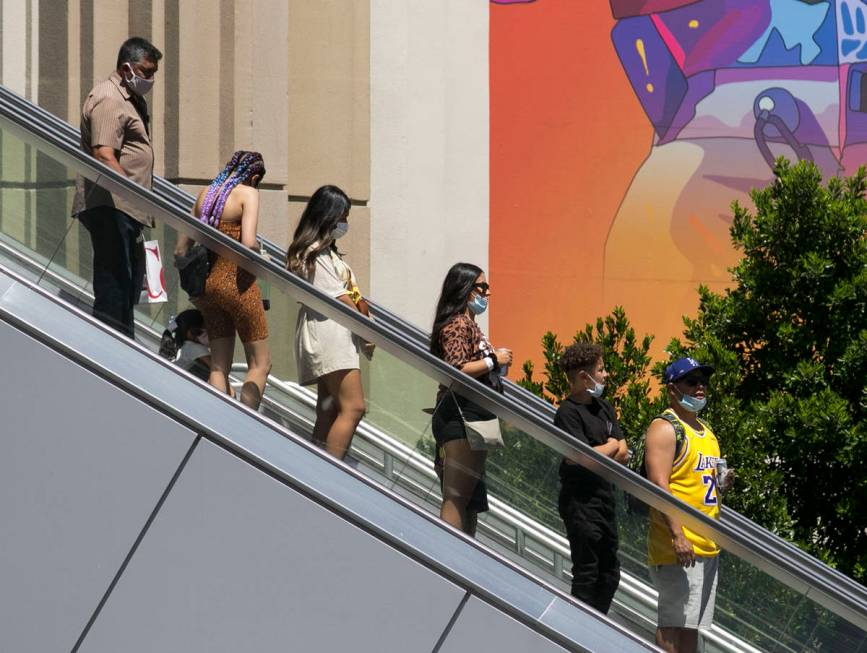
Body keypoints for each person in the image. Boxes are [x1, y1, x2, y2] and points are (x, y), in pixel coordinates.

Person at [73, 37, 162, 338]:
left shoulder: (131, 99)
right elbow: (103, 153)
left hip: (126, 209)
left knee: (126, 286)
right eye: (146, 71)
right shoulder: (110, 98)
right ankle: (111, 350)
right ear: (126, 68)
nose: (150, 79)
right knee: (114, 285)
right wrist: (131, 189)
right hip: (112, 207)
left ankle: (122, 344)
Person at [645, 357, 734, 653]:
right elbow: (659, 485)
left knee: (691, 627)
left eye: (703, 382)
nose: (700, 388)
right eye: (691, 381)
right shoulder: (665, 427)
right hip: (679, 546)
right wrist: (677, 535)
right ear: (673, 389)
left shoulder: (706, 432)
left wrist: (721, 485)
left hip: (706, 546)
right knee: (672, 624)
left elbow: (698, 482)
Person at [175, 151, 271, 410]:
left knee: (218, 366)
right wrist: (262, 254)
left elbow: (180, 251)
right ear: (253, 176)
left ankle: (218, 417)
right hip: (238, 285)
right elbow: (248, 243)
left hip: (207, 290)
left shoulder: (205, 195)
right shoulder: (248, 194)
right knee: (260, 364)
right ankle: (244, 421)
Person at [288, 185, 372, 460]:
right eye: (342, 217)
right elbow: (338, 296)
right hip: (329, 330)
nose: (344, 224)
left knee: (328, 410)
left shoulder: (322, 252)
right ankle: (330, 470)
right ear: (328, 216)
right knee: (354, 407)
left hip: (330, 330)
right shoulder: (314, 253)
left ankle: (317, 465)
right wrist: (366, 327)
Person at [429, 262, 512, 535]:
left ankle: (463, 559)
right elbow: (457, 368)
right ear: (464, 288)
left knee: (470, 501)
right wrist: (492, 360)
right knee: (457, 497)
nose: (487, 293)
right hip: (461, 415)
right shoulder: (457, 323)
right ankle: (449, 557)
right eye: (482, 287)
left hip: (475, 415)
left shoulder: (470, 325)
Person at [555, 342, 629, 614]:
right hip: (580, 502)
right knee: (587, 571)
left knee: (610, 573)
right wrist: (608, 446)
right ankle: (578, 628)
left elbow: (624, 452)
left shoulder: (604, 407)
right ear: (584, 377)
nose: (606, 374)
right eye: (601, 369)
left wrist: (604, 450)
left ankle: (596, 623)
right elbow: (581, 458)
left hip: (604, 499)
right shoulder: (567, 413)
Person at [158, 309, 211, 382]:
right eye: (198, 332)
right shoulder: (195, 348)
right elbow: (218, 369)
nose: (204, 335)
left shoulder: (185, 346)